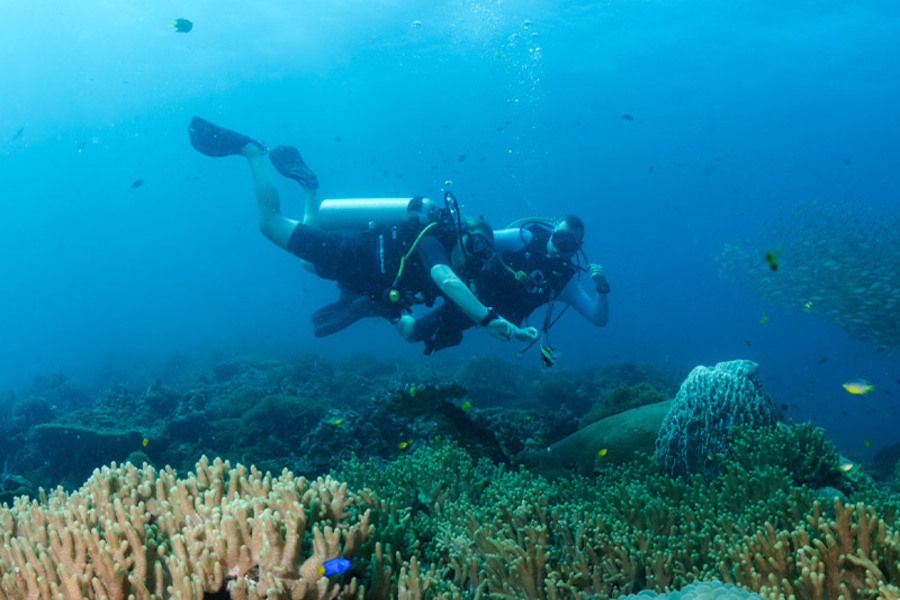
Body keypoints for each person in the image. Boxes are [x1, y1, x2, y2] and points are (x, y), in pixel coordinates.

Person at [187, 116, 538, 345]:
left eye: (483, 251)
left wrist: (423, 323)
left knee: (307, 264)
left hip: (367, 281)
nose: (475, 254)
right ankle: (252, 151)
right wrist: (490, 319)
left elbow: (411, 328)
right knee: (270, 223)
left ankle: (309, 188)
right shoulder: (433, 241)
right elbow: (445, 278)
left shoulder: (454, 271)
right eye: (474, 243)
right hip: (350, 252)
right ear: (458, 233)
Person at [397, 216, 610, 358]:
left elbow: (598, 319)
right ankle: (390, 305)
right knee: (410, 321)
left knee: (413, 334)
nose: (558, 249)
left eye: (568, 245)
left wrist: (602, 289)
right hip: (467, 293)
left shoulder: (566, 282)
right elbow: (469, 243)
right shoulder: (522, 238)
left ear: (577, 248)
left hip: (493, 320)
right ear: (552, 231)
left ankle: (391, 309)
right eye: (558, 239)